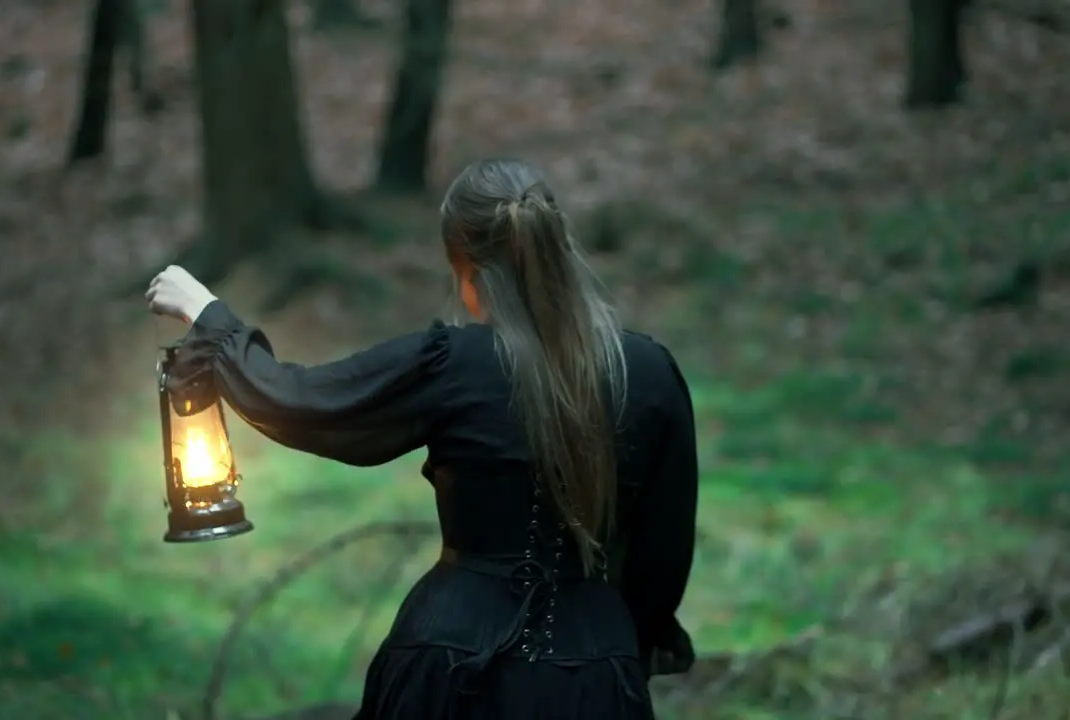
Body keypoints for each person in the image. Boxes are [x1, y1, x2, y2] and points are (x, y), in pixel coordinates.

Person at [146, 158, 699, 719]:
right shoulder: (650, 374)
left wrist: (209, 316)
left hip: (448, 670)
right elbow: (662, 561)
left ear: (466, 267)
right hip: (594, 673)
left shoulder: (453, 365)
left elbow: (301, 401)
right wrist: (610, 641)